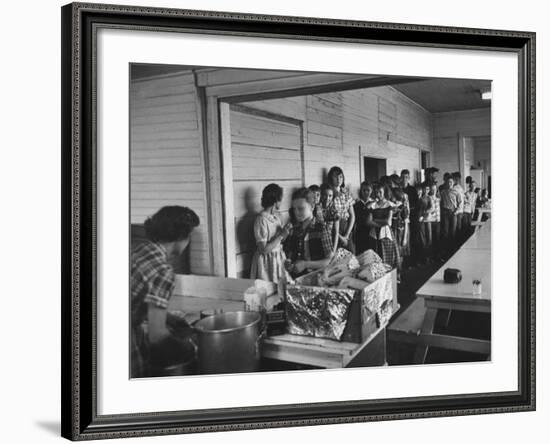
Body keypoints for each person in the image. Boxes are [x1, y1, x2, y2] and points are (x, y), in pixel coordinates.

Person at [131, 206, 200, 378]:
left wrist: (169, 318)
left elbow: (135, 300)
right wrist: (191, 349)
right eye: (189, 235)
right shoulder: (163, 271)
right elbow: (157, 336)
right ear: (180, 237)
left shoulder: (139, 251)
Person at [283, 188, 333, 278]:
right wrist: (288, 262)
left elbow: (329, 260)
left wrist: (306, 264)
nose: (296, 213)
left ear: (312, 207)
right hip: (296, 278)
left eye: (301, 209)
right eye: (294, 209)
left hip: (317, 278)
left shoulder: (322, 229)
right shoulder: (293, 229)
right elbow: (289, 253)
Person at [250, 183, 292, 283]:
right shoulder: (261, 220)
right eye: (280, 200)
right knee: (268, 288)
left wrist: (285, 232)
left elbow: (281, 241)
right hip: (266, 262)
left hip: (278, 258)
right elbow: (263, 249)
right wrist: (281, 235)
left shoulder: (277, 217)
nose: (281, 202)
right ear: (275, 201)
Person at [366, 183, 400, 270]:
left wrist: (375, 220)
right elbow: (368, 222)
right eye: (376, 192)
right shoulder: (372, 205)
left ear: (384, 192)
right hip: (374, 234)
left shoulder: (389, 204)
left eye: (380, 192)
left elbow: (388, 222)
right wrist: (380, 223)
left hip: (385, 234)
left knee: (387, 256)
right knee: (375, 256)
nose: (378, 194)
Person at [327, 166, 356, 252]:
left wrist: (346, 235)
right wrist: (339, 236)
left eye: (340, 177)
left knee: (351, 253)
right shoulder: (329, 195)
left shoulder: (346, 193)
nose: (338, 179)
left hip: (346, 227)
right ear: (330, 178)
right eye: (335, 177)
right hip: (333, 228)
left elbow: (352, 216)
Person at [440, 174, 462, 250]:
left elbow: (460, 203)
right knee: (445, 231)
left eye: (451, 182)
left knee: (453, 231)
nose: (449, 184)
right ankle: (446, 249)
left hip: (453, 213)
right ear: (446, 183)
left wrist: (456, 212)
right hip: (445, 213)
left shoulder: (456, 192)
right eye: (448, 182)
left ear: (453, 183)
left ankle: (453, 249)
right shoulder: (443, 192)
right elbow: (440, 203)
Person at [353, 181, 376, 255]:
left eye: (368, 190)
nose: (366, 192)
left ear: (371, 191)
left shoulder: (375, 203)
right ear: (361, 191)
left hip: (372, 232)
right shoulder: (356, 205)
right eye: (364, 190)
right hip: (360, 233)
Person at [391, 188, 410, 266]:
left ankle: (399, 271)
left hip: (400, 233)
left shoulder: (403, 208)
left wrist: (405, 238)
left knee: (400, 253)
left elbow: (406, 224)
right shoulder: (392, 207)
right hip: (393, 231)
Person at [320, 183, 340, 255]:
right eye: (325, 195)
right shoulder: (316, 210)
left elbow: (336, 232)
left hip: (329, 244)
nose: (327, 198)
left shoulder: (334, 212)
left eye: (330, 196)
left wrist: (333, 251)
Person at [417, 182, 433, 263]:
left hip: (427, 219)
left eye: (427, 189)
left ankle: (428, 257)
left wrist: (424, 214)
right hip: (420, 221)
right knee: (422, 238)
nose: (426, 190)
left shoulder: (429, 198)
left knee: (429, 238)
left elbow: (431, 208)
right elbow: (417, 209)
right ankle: (423, 258)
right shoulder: (419, 198)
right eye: (425, 189)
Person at [428, 182, 441, 257]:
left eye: (435, 189)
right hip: (430, 221)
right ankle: (431, 256)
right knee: (430, 239)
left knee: (437, 238)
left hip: (438, 220)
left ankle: (437, 256)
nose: (433, 191)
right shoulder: (428, 198)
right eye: (432, 189)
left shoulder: (438, 199)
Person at [452, 172, 466, 238]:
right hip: (455, 210)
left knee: (458, 227)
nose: (456, 180)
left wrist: (460, 210)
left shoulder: (460, 188)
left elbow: (461, 201)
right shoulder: (452, 187)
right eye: (455, 178)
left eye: (457, 179)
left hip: (459, 211)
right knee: (454, 227)